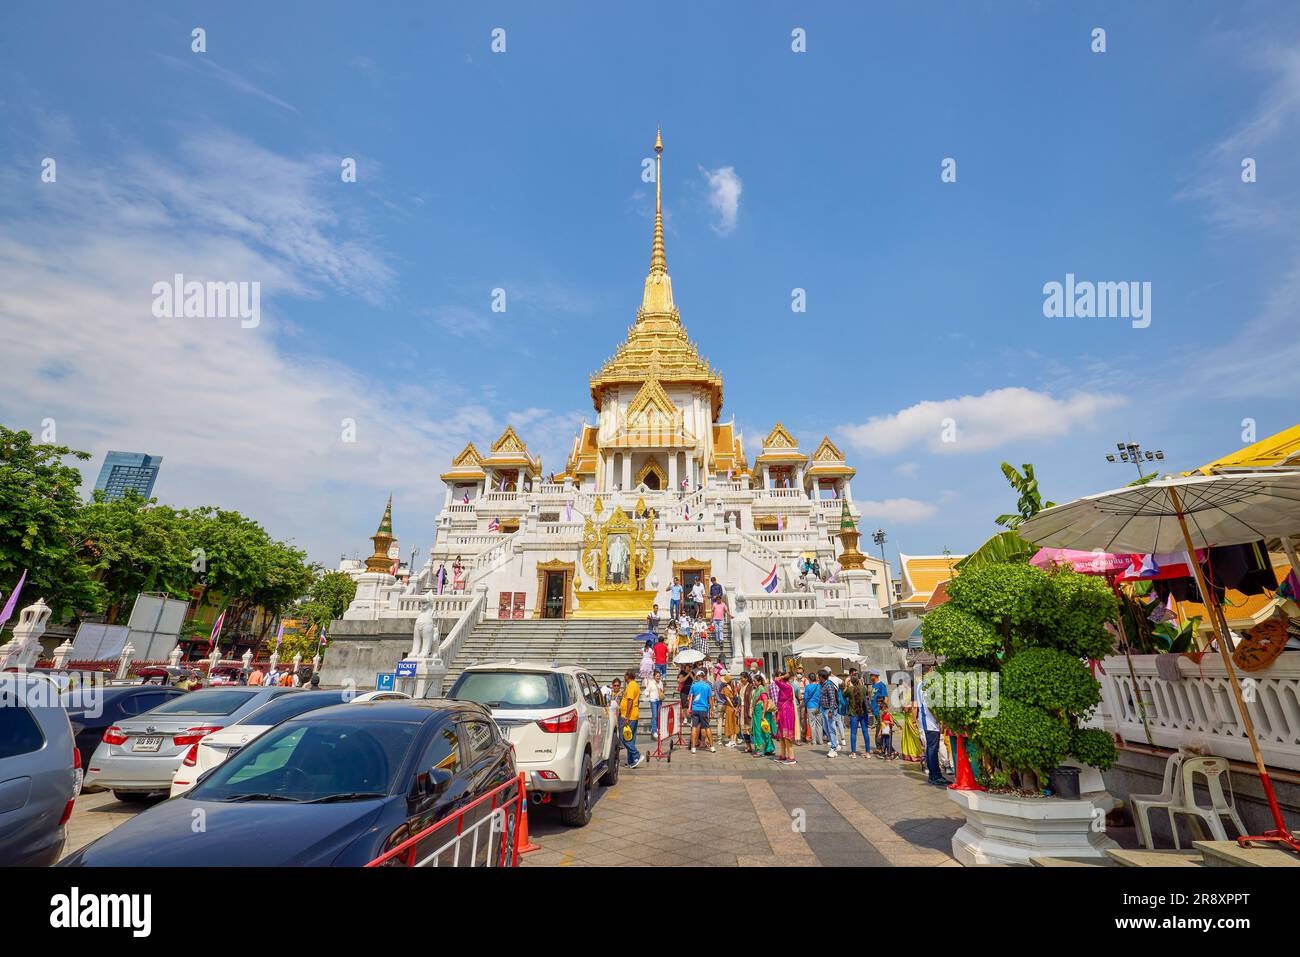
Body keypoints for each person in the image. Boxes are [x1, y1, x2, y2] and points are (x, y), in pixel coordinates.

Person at [916, 665, 949, 786]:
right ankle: (935, 775)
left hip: (926, 720)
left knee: (931, 748)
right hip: (930, 720)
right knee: (932, 748)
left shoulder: (920, 685)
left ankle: (933, 774)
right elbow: (930, 704)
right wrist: (939, 719)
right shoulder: (927, 685)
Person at [896, 675, 924, 763]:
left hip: (912, 716)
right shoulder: (907, 691)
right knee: (908, 736)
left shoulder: (912, 691)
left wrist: (914, 719)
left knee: (915, 734)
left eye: (903, 682)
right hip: (907, 716)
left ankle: (919, 753)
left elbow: (915, 705)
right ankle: (909, 754)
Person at [619, 670, 644, 768]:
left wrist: (626, 716)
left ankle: (636, 755)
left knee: (624, 738)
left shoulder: (631, 686)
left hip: (628, 716)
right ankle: (631, 761)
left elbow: (630, 701)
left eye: (624, 675)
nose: (623, 677)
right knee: (630, 738)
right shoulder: (635, 685)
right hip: (633, 714)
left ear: (628, 676)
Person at [689, 669, 715, 753]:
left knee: (694, 727)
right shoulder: (707, 686)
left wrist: (690, 707)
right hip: (703, 709)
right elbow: (710, 699)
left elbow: (690, 698)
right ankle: (712, 747)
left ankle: (693, 747)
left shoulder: (694, 685)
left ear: (697, 676)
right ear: (703, 677)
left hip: (695, 708)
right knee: (707, 727)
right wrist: (712, 709)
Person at [773, 671, 797, 764]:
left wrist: (782, 676)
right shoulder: (785, 686)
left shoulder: (786, 686)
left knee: (786, 736)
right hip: (783, 711)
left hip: (786, 712)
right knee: (782, 736)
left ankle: (791, 757)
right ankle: (782, 755)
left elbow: (776, 680)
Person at [845, 674, 871, 757]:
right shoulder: (863, 688)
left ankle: (853, 753)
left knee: (853, 733)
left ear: (851, 682)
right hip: (863, 713)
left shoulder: (849, 689)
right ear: (858, 680)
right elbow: (867, 694)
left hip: (853, 714)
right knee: (865, 732)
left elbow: (843, 695)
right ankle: (867, 753)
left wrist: (846, 684)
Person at [750, 674, 775, 757]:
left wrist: (763, 714)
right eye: (753, 681)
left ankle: (761, 750)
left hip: (761, 713)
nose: (753, 682)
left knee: (760, 731)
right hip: (757, 713)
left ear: (759, 681)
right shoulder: (757, 689)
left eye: (755, 681)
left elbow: (765, 701)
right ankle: (768, 748)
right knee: (764, 730)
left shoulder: (761, 689)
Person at [819, 672, 841, 757]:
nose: (818, 678)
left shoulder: (828, 685)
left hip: (829, 710)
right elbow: (821, 697)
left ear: (822, 677)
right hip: (824, 709)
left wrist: (831, 711)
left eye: (819, 676)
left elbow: (832, 699)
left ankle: (833, 748)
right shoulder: (822, 685)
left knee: (831, 728)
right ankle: (834, 743)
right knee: (826, 727)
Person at [868, 668, 888, 750]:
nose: (870, 677)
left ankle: (880, 748)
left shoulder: (881, 685)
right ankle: (879, 747)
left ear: (875, 676)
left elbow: (886, 698)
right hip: (874, 711)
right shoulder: (873, 685)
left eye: (871, 675)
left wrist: (884, 710)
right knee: (878, 728)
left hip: (879, 711)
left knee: (880, 730)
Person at [803, 673, 824, 746]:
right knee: (819, 724)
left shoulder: (808, 687)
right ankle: (820, 740)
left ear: (809, 679)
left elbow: (805, 698)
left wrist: (805, 705)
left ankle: (814, 741)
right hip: (818, 707)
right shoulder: (819, 686)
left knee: (812, 724)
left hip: (810, 706)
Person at [721, 675, 739, 747]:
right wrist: (736, 707)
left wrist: (732, 707)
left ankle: (731, 741)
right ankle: (734, 740)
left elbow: (728, 699)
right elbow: (737, 697)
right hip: (736, 707)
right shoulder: (734, 687)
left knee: (730, 723)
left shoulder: (725, 688)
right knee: (735, 723)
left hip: (729, 708)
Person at [646, 670, 663, 740]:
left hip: (659, 700)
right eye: (657, 676)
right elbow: (647, 690)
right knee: (655, 715)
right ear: (654, 676)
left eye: (659, 676)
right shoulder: (651, 683)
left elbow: (662, 690)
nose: (658, 677)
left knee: (659, 715)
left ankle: (658, 728)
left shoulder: (661, 682)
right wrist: (647, 694)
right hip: (653, 700)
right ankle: (654, 731)